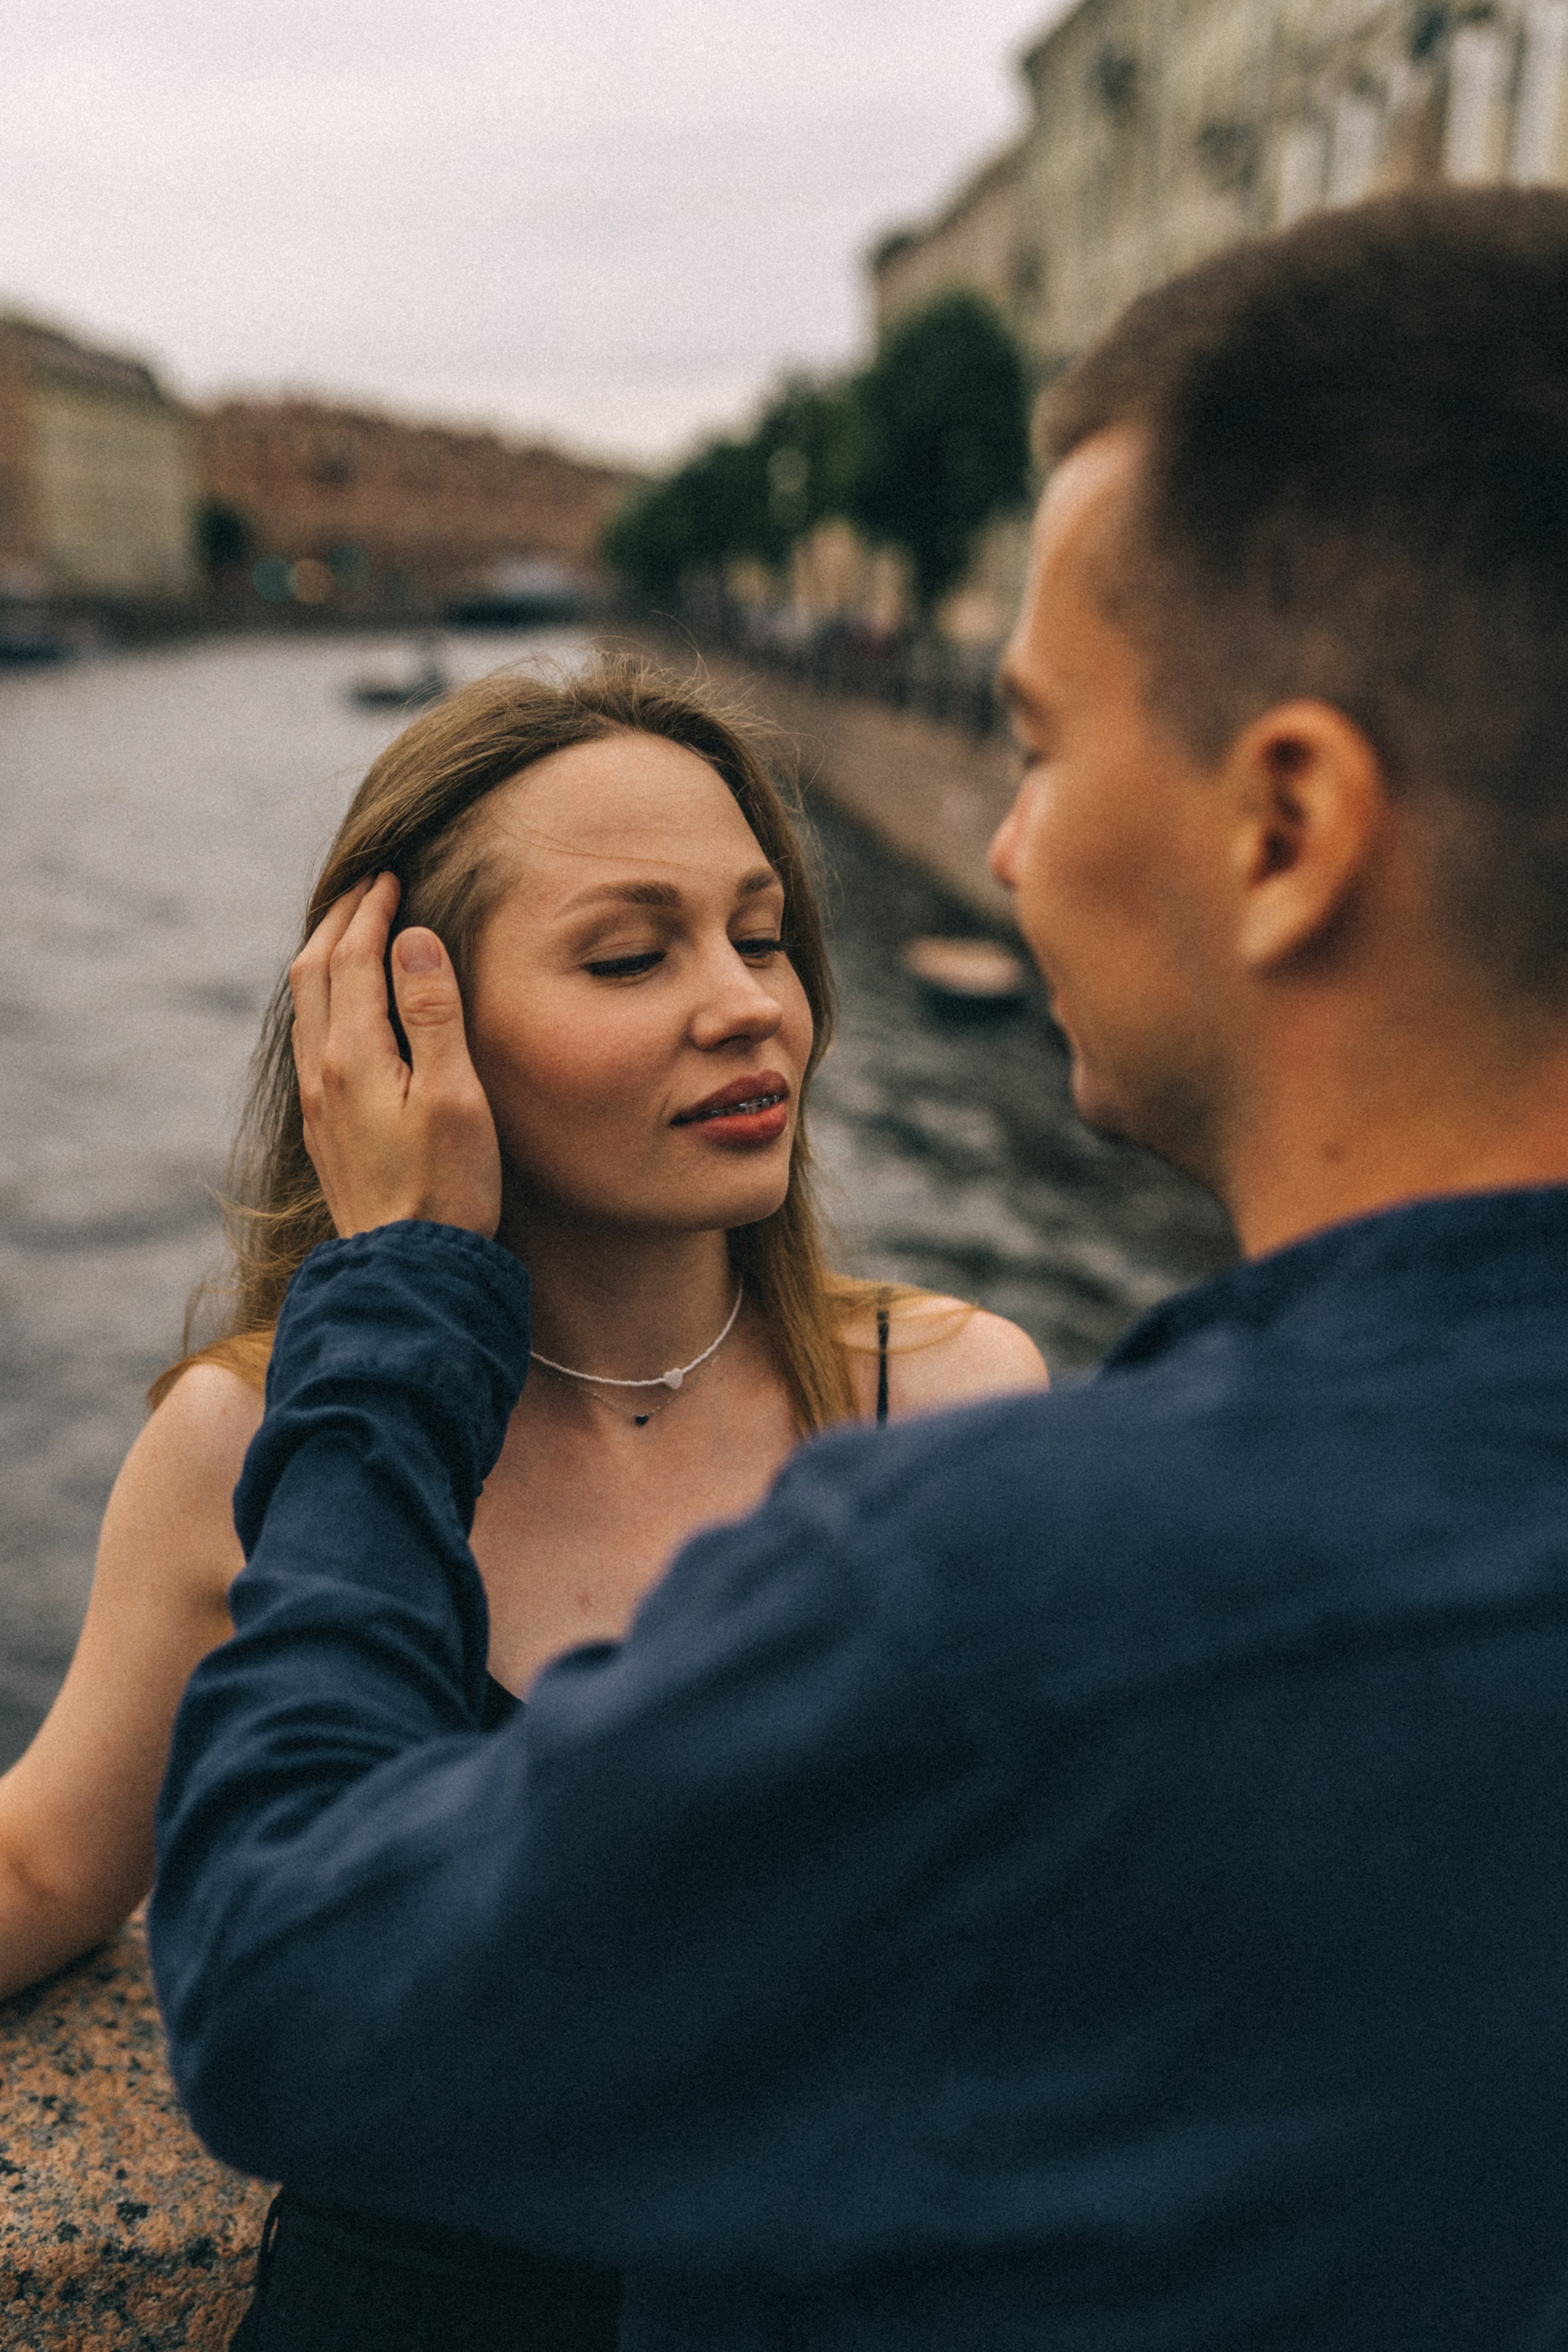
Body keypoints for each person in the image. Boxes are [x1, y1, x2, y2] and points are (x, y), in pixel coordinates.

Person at [153, 187, 1568, 2350]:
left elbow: (282, 1991)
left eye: (1038, 741)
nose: (999, 842)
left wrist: (393, 1320)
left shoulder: (1010, 1584)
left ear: (1284, 828)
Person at [0, 659, 1044, 2341]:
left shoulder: (952, 1396)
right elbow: (51, 1859)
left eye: (761, 933)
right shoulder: (252, 1433)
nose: (750, 1005)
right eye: (633, 955)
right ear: (407, 1037)